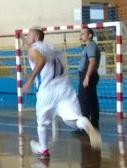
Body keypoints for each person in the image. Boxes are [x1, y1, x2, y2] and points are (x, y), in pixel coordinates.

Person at [22, 28, 102, 158]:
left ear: (36, 38)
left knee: (42, 124)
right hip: (65, 89)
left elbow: (41, 60)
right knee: (74, 120)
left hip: (47, 91)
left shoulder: (33, 49)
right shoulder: (55, 49)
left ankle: (43, 149)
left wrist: (30, 79)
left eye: (28, 35)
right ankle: (86, 123)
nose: (26, 37)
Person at [78, 27, 101, 130]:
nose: (81, 36)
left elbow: (92, 61)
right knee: (92, 100)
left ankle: (85, 126)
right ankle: (94, 124)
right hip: (90, 75)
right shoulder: (89, 46)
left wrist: (87, 77)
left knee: (85, 101)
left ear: (90, 35)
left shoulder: (91, 46)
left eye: (83, 34)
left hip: (88, 75)